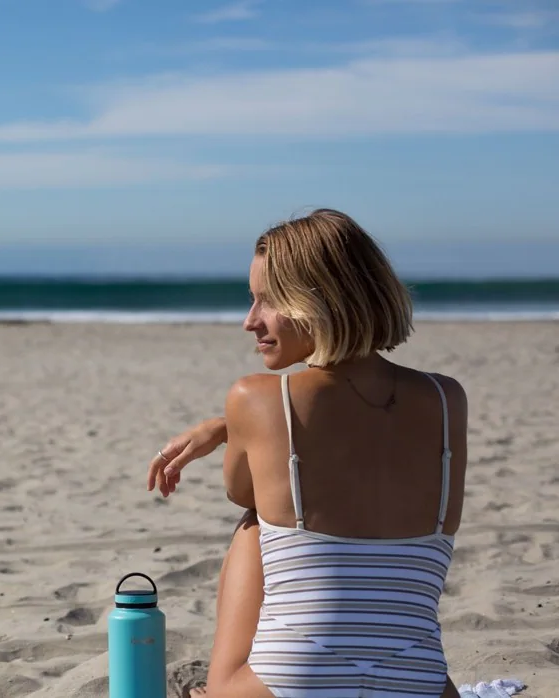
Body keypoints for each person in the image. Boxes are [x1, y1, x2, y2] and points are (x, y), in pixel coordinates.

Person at [145, 209, 467, 698]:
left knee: (255, 522)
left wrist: (226, 427)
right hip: (418, 679)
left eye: (268, 300)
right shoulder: (447, 400)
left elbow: (243, 491)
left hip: (293, 679)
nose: (249, 321)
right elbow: (366, 451)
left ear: (320, 299)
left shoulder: (256, 398)